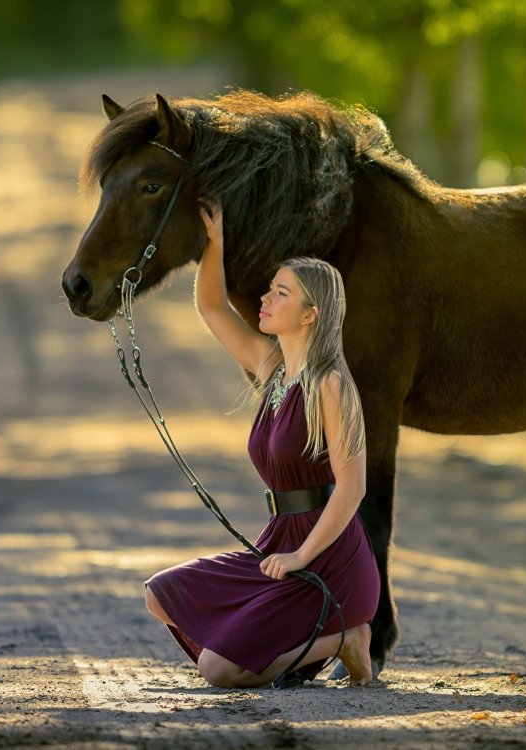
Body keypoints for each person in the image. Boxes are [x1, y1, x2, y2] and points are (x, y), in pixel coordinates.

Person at [143, 200, 380, 688]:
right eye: (271, 290)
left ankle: (346, 638)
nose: (266, 300)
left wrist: (300, 558)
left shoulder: (332, 385)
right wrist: (215, 245)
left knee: (217, 670)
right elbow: (211, 306)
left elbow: (352, 489)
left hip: (328, 562)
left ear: (310, 314)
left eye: (281, 293)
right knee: (161, 595)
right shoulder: (271, 367)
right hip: (277, 545)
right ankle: (308, 641)